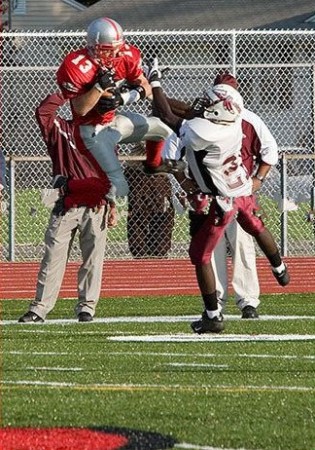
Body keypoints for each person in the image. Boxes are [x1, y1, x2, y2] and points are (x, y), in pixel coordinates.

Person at [147, 59, 290, 333]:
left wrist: (154, 84)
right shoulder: (235, 121)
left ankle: (213, 315)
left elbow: (169, 116)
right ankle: (279, 266)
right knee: (255, 225)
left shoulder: (204, 132)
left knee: (200, 255)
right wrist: (151, 89)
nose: (205, 104)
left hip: (220, 199)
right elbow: (190, 110)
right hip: (240, 188)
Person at [18, 91, 117, 324]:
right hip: (67, 203)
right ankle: (40, 307)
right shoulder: (62, 129)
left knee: (93, 259)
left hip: (96, 205)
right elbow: (43, 111)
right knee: (53, 256)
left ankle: (87, 307)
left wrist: (112, 204)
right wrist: (66, 91)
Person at [56, 17, 172, 199]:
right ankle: (68, 186)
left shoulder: (126, 55)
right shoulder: (76, 64)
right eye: (110, 50)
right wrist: (98, 88)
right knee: (119, 189)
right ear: (94, 46)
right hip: (89, 132)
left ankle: (153, 165)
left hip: (113, 123)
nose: (117, 54)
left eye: (118, 48)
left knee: (163, 129)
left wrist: (123, 98)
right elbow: (80, 109)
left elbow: (145, 85)